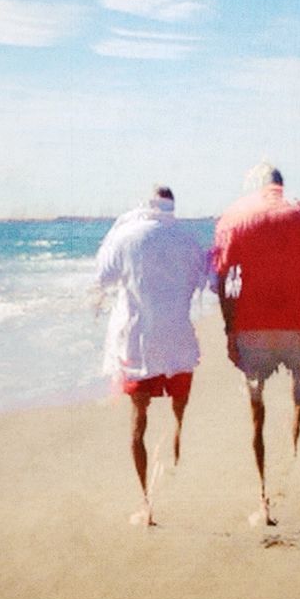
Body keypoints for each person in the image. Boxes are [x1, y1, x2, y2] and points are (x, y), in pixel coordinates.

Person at [212, 163, 300, 525]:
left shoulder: (235, 218)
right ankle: (292, 474)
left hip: (252, 325)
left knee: (257, 412)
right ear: (281, 186)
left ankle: (263, 500)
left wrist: (229, 329)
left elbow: (222, 279)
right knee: (298, 402)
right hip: (298, 323)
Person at [95, 185, 210, 526]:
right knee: (178, 405)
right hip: (177, 338)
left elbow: (102, 277)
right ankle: (176, 434)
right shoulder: (188, 239)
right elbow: (207, 278)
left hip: (139, 341)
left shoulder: (126, 236)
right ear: (172, 206)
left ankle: (146, 504)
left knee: (138, 420)